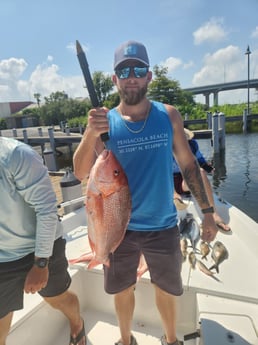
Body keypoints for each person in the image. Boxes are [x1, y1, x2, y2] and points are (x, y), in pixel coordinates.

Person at [73, 40, 218, 345]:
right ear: (115, 80)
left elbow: (189, 167)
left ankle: (171, 339)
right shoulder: (104, 123)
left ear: (149, 75)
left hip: (163, 224)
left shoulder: (168, 116)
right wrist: (89, 133)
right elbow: (78, 171)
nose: (132, 76)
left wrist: (207, 213)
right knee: (122, 290)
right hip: (117, 231)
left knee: (167, 289)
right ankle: (126, 340)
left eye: (139, 69)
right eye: (124, 71)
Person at [0, 137, 86, 345]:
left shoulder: (16, 155)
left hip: (41, 247)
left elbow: (46, 211)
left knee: (57, 298)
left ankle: (77, 323)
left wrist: (41, 264)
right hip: (3, 257)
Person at [173, 128, 231, 233]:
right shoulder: (164, 149)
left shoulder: (193, 144)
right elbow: (161, 171)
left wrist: (207, 167)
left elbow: (200, 159)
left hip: (188, 175)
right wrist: (174, 193)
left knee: (200, 171)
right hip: (172, 180)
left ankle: (214, 213)